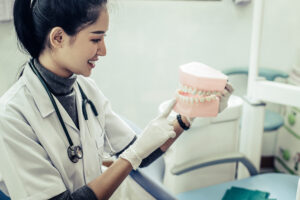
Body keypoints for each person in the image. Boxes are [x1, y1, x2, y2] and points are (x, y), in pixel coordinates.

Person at [0, 0, 233, 199]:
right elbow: (134, 155)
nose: (103, 50)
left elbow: (140, 152)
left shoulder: (85, 90)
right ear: (58, 37)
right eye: (95, 39)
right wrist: (132, 156)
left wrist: (189, 114)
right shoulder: (12, 116)